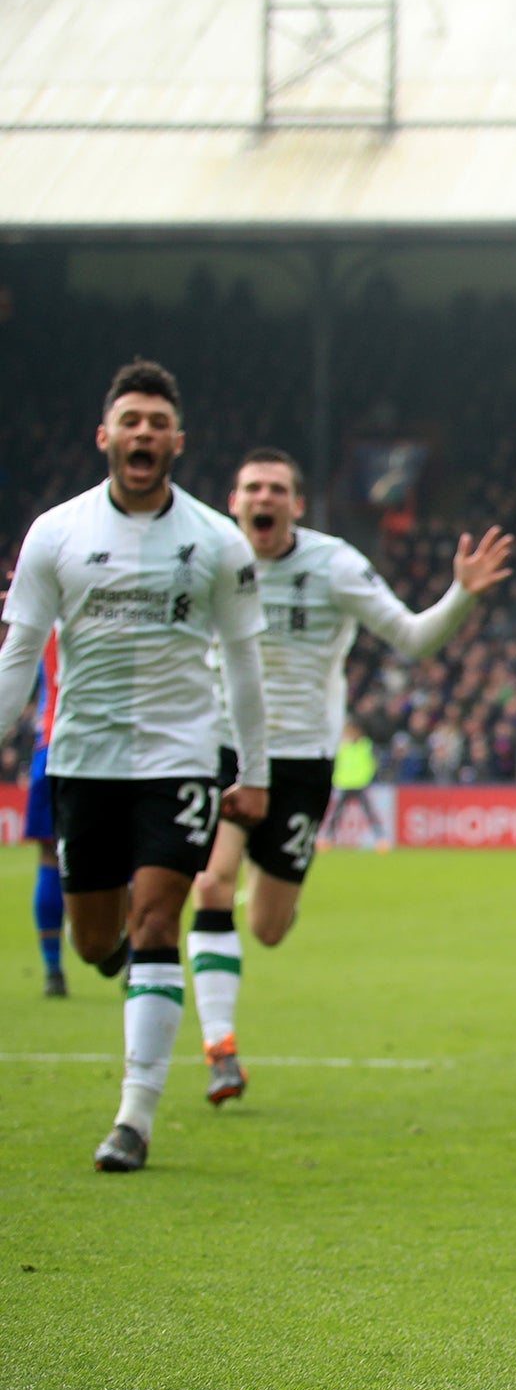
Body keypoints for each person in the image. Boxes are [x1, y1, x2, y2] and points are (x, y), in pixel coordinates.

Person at [0, 360, 270, 1172]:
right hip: (82, 756)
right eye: (131, 420)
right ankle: (124, 970)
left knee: (157, 922)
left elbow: (245, 662)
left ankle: (134, 1120)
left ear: (177, 441)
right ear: (105, 436)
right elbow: (18, 651)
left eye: (158, 422)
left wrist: (250, 770)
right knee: (96, 941)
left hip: (179, 755)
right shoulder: (57, 532)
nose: (144, 433)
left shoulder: (217, 540)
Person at [188, 447, 511, 1104]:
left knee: (269, 928)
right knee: (210, 884)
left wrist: (461, 596)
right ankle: (220, 1049)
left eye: (278, 489)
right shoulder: (208, 557)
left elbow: (414, 639)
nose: (265, 499)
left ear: (297, 506)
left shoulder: (334, 563)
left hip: (304, 759)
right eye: (252, 487)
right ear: (234, 501)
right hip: (223, 746)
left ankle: (269, 875)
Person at [27, 630, 66, 996]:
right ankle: (135, 961)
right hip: (118, 749)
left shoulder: (49, 615)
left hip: (52, 744)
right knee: (131, 859)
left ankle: (54, 970)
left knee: (50, 857)